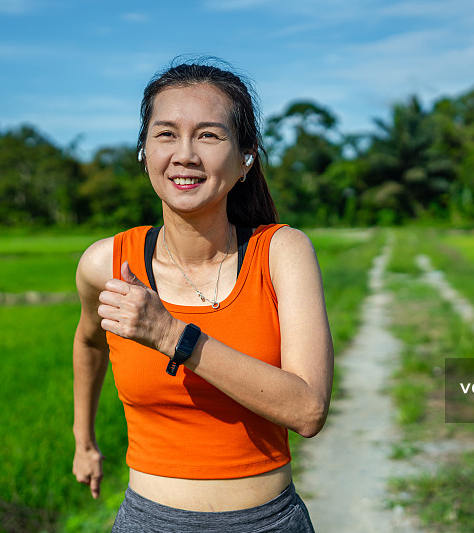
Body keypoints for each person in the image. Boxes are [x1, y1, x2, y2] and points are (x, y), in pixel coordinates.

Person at [72, 58, 334, 532]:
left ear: (245, 159)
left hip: (268, 521)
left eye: (209, 135)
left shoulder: (281, 253)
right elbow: (90, 341)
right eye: (166, 134)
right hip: (149, 521)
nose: (185, 154)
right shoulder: (105, 264)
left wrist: (172, 333)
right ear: (143, 150)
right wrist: (83, 439)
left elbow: (308, 409)